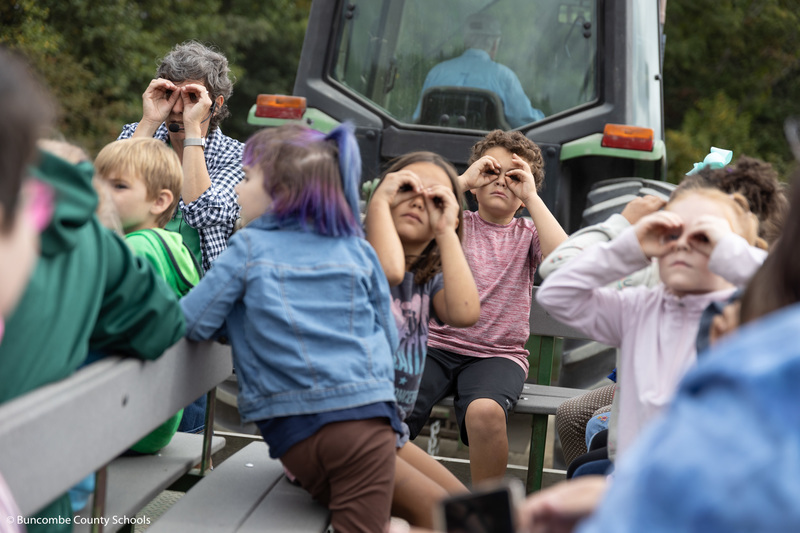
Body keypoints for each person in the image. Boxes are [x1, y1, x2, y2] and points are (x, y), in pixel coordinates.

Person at [180, 123, 402, 533]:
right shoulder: (358, 249)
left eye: (246, 180)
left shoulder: (248, 248)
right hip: (369, 422)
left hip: (295, 431)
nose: (237, 190)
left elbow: (192, 320)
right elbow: (389, 339)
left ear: (279, 194)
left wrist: (237, 320)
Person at [536, 183, 767, 464]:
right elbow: (556, 293)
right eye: (670, 233)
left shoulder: (745, 317)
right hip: (633, 480)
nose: (683, 242)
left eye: (704, 237)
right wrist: (629, 245)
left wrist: (729, 251)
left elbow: (786, 295)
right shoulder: (637, 308)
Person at [406, 130, 568, 485]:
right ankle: (381, 490)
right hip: (433, 345)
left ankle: (487, 513)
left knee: (485, 413)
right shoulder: (453, 221)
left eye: (513, 177)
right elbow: (417, 209)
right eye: (491, 172)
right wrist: (462, 180)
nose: (501, 182)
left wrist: (533, 197)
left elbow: (568, 261)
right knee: (394, 402)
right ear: (475, 184)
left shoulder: (527, 233)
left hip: (496, 355)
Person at [366, 151, 480, 527]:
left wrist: (448, 230)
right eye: (406, 187)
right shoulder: (354, 251)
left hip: (387, 434)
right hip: (346, 436)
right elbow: (387, 270)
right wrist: (381, 201)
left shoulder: (427, 277)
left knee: (475, 513)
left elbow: (465, 312)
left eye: (436, 199)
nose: (419, 200)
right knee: (446, 520)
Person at [94, 137, 203, 447]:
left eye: (118, 186)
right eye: (98, 182)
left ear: (159, 201)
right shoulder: (172, 242)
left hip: (131, 419)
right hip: (159, 412)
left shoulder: (134, 249)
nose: (100, 193)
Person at [118, 40, 243, 271]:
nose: (177, 108)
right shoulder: (135, 135)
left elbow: (204, 213)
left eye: (191, 97)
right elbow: (109, 196)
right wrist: (149, 121)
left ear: (215, 104)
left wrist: (193, 128)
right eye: (170, 94)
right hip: (133, 278)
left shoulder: (237, 157)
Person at [412, 14, 545, 129]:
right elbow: (526, 121)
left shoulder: (437, 72)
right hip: (487, 155)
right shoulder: (504, 77)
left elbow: (418, 119)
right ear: (494, 44)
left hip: (437, 151)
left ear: (466, 41)